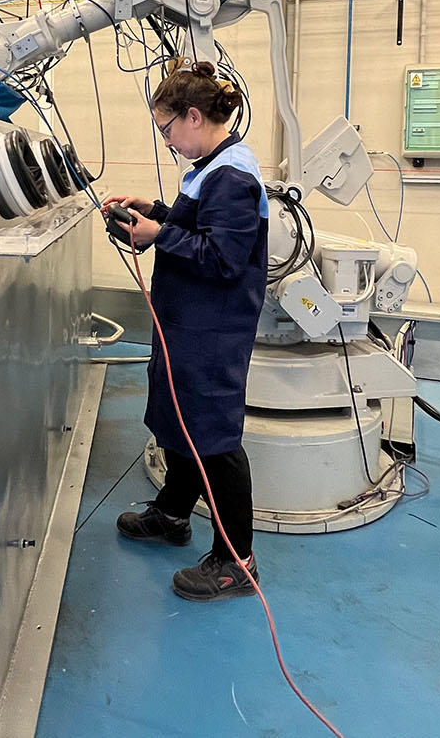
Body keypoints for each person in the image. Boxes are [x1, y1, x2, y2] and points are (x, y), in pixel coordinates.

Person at [104, 61, 269, 602]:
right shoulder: (210, 167)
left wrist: (157, 235)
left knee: (213, 440)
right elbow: (199, 225)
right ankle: (174, 514)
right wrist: (155, 211)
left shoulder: (233, 177)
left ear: (193, 117)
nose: (167, 140)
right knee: (178, 419)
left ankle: (237, 562)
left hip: (212, 332)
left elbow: (223, 257)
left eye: (167, 128)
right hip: (185, 324)